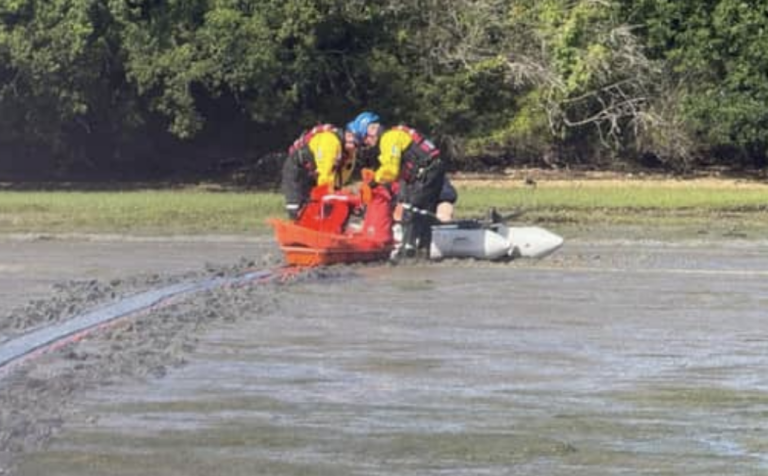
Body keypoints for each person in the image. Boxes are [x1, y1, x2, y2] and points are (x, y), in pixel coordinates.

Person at [347, 111, 447, 257]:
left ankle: (408, 250)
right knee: (422, 212)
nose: (367, 143)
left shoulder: (389, 138)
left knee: (411, 209)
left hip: (426, 172)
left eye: (365, 139)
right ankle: (424, 249)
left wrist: (373, 182)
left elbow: (391, 170)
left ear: (372, 130)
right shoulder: (395, 135)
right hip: (432, 170)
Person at [281, 123, 358, 219]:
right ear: (348, 135)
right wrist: (327, 197)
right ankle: (296, 227)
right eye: (354, 143)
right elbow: (325, 175)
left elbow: (339, 181)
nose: (355, 147)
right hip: (297, 169)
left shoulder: (349, 153)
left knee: (320, 208)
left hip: (313, 175)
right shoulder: (330, 142)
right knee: (297, 209)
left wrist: (335, 196)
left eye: (358, 145)